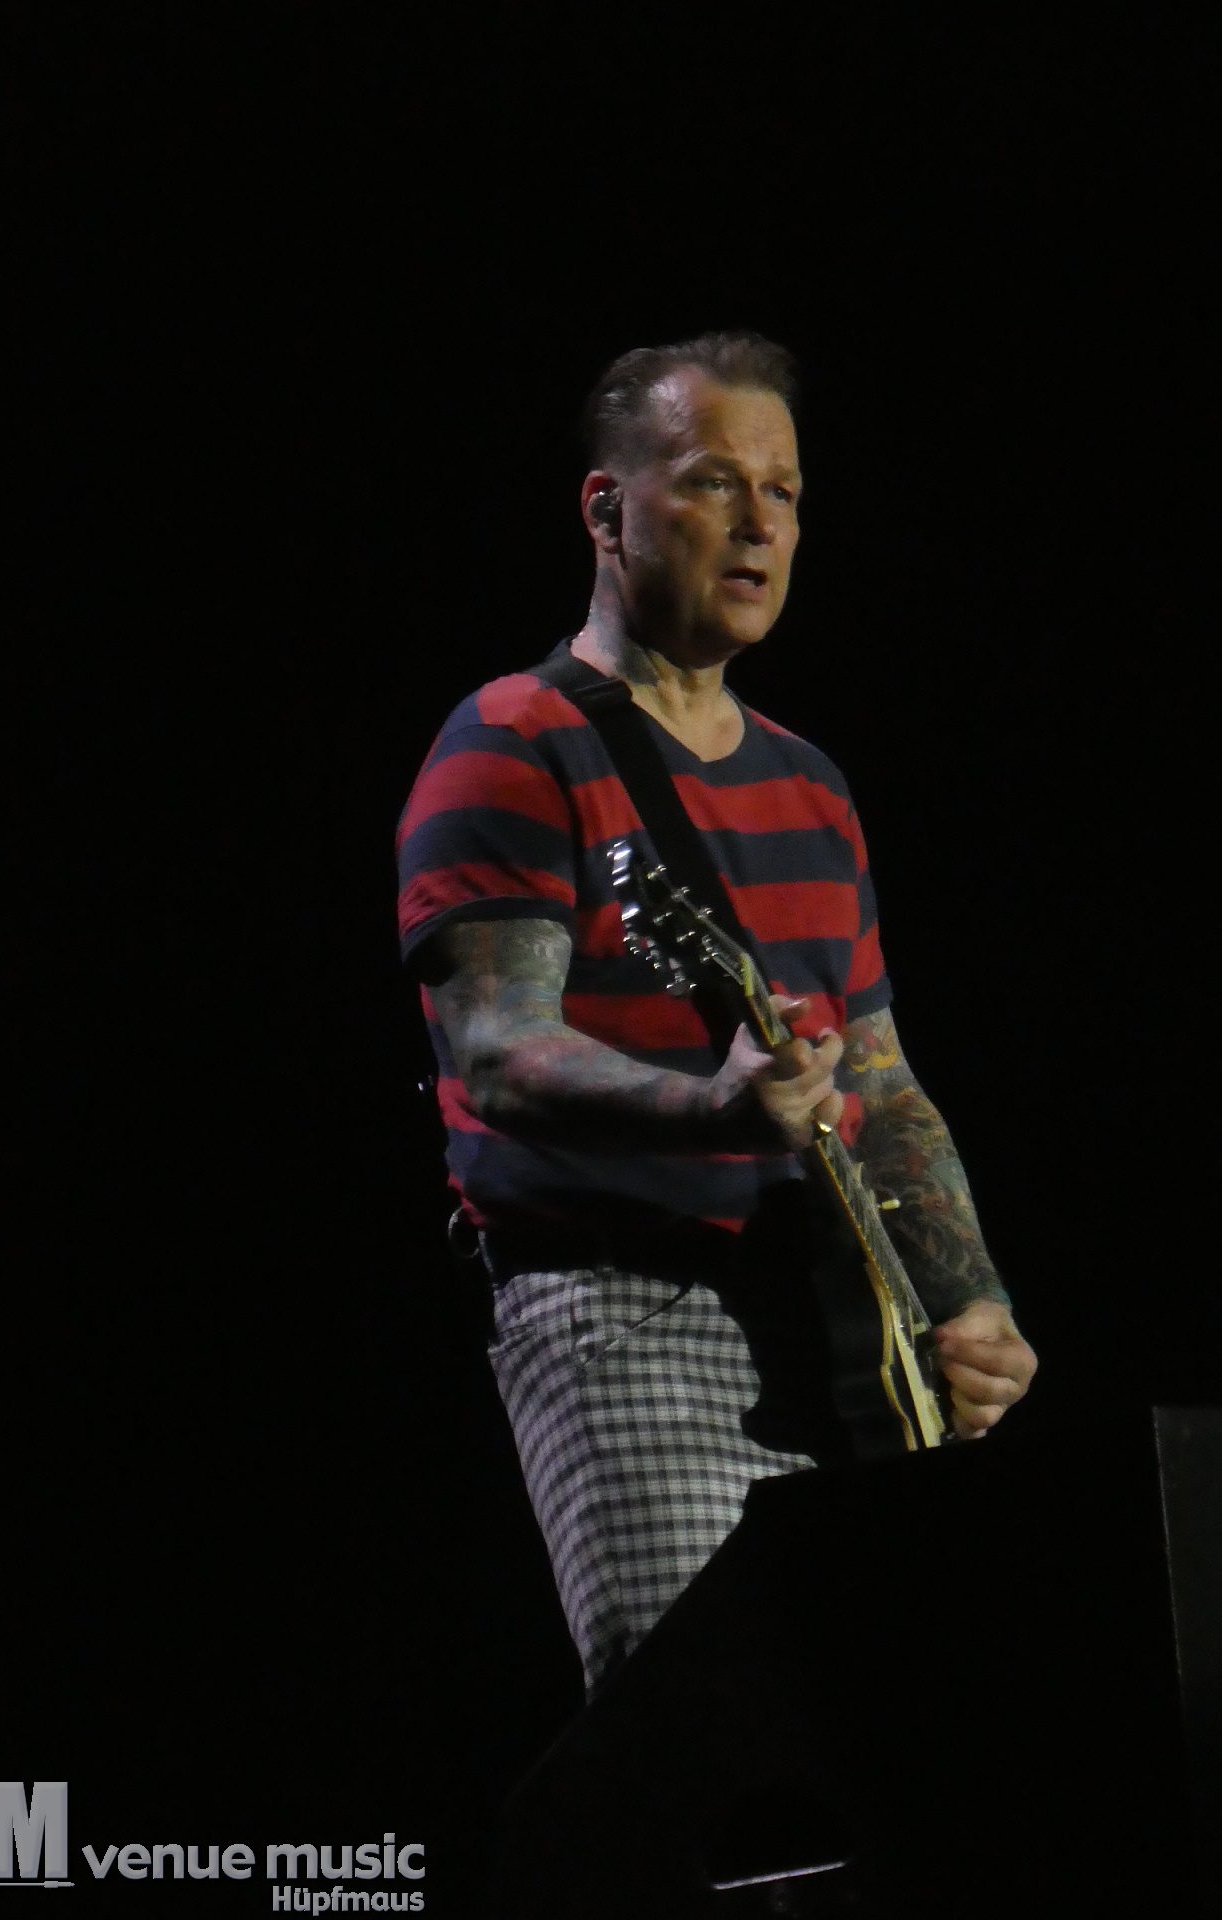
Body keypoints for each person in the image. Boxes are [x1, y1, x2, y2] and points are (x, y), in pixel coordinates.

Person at [396, 330, 1037, 1696]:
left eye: (784, 491)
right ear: (607, 509)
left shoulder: (811, 784)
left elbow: (880, 1079)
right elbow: (498, 1052)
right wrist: (712, 1108)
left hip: (842, 1321)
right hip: (629, 1310)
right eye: (710, 482)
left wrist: (970, 1301)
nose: (759, 524)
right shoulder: (511, 742)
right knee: (708, 1730)